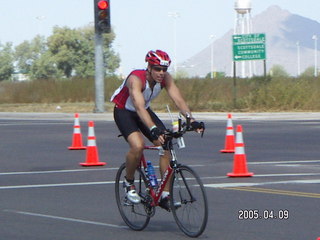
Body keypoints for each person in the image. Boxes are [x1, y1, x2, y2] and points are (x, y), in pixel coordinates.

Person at [110, 50, 204, 211]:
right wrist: (153, 129)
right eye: (157, 69)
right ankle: (129, 183)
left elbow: (178, 99)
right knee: (138, 146)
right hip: (124, 111)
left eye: (164, 69)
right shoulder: (136, 79)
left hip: (144, 111)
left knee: (166, 143)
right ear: (149, 67)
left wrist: (191, 120)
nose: (161, 73)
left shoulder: (165, 79)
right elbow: (138, 107)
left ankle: (164, 195)